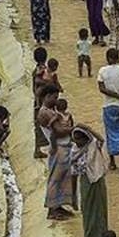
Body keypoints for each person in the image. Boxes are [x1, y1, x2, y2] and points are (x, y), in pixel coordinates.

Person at [70, 126, 110, 237]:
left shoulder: (93, 146)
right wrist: (73, 196)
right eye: (75, 138)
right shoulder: (74, 151)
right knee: (88, 218)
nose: (76, 141)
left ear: (85, 138)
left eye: (79, 138)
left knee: (100, 216)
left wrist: (85, 127)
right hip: (85, 184)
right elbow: (73, 174)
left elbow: (100, 138)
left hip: (97, 182)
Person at [38, 84, 75, 220]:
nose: (56, 100)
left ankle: (58, 205)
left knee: (62, 178)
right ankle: (52, 209)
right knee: (56, 178)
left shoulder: (50, 110)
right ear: (47, 97)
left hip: (62, 147)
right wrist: (73, 129)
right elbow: (58, 131)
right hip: (58, 148)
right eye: (54, 97)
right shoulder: (45, 113)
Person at [97, 48, 119, 174]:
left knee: (110, 132)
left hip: (108, 106)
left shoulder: (102, 71)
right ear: (118, 58)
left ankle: (112, 161)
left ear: (108, 58)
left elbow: (102, 89)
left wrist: (115, 95)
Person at [32, 47, 50, 159]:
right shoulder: (43, 70)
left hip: (38, 101)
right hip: (43, 101)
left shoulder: (36, 70)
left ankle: (37, 149)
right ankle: (39, 149)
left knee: (38, 126)